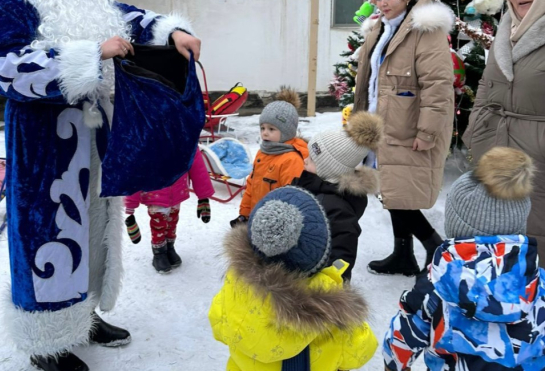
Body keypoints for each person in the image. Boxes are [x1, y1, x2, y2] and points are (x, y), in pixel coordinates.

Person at [0, 0, 200, 371]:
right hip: (44, 147)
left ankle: (83, 314)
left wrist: (172, 32)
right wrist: (91, 53)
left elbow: (132, 21)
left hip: (95, 137)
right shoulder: (9, 6)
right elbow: (8, 70)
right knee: (47, 234)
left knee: (93, 228)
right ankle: (47, 339)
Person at [383, 146, 545, 371]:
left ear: (457, 225)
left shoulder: (435, 285)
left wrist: (394, 366)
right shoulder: (539, 285)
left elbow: (402, 338)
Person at [353, 0, 455, 276]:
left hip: (407, 126)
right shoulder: (381, 27)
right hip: (380, 123)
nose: (382, 4)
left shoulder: (425, 29)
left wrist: (427, 131)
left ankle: (436, 246)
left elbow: (437, 86)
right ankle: (403, 254)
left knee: (400, 193)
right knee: (394, 191)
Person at [209, 185, 378, 371]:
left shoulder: (236, 286)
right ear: (320, 253)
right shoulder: (333, 317)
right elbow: (363, 351)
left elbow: (217, 324)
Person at [464, 0, 545, 268]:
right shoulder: (505, 30)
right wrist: (474, 133)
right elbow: (487, 85)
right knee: (498, 244)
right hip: (495, 152)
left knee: (536, 239)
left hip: (538, 161)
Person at [292, 111, 383, 280]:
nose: (305, 161)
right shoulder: (314, 186)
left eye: (311, 160)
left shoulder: (337, 208)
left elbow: (342, 256)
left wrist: (327, 284)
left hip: (313, 286)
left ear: (328, 169)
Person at [124, 148, 214, 273]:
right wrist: (130, 207)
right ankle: (159, 253)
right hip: (155, 193)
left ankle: (169, 247)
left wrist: (203, 197)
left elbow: (197, 165)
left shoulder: (185, 135)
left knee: (172, 222)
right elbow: (135, 170)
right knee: (159, 225)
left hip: (177, 191)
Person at [229, 88, 308, 227]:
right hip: (256, 218)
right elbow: (252, 185)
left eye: (271, 129)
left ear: (286, 132)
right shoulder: (263, 153)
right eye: (262, 128)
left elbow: (291, 200)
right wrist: (245, 213)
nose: (265, 133)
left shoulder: (291, 160)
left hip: (275, 226)